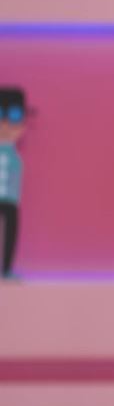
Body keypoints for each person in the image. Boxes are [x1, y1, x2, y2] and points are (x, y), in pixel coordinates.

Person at [0, 87, 26, 280]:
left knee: (11, 230)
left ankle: (7, 269)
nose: (7, 124)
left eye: (15, 117)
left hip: (10, 200)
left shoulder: (15, 156)